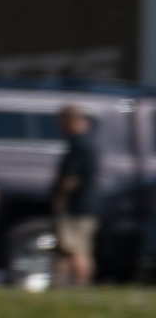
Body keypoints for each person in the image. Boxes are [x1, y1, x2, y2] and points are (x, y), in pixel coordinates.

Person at [52, 104, 99, 286]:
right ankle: (58, 285)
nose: (59, 126)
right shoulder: (90, 141)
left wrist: (60, 198)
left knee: (76, 249)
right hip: (87, 205)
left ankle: (80, 286)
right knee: (67, 249)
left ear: (71, 120)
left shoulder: (79, 144)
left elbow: (71, 177)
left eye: (61, 122)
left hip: (77, 205)